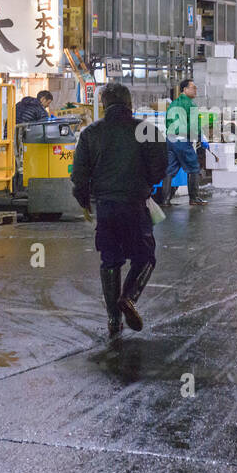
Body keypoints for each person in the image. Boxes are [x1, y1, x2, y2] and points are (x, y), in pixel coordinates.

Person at [71, 82, 167, 337]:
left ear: (103, 104)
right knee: (144, 256)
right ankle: (129, 297)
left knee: (110, 259)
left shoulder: (90, 133)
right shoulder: (146, 130)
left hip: (106, 206)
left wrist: (84, 200)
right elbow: (161, 166)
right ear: (130, 104)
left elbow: (79, 175)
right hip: (135, 204)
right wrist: (146, 182)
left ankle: (114, 319)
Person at [161, 79, 206, 206]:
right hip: (182, 140)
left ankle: (165, 200)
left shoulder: (173, 104)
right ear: (184, 90)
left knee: (169, 169)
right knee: (193, 168)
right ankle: (194, 198)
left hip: (170, 140)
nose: (195, 90)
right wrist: (200, 138)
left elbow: (167, 122)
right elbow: (193, 127)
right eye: (193, 87)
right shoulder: (190, 105)